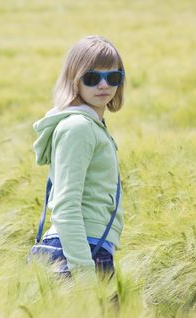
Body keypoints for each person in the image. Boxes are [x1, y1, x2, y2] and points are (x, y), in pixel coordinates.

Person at [31, 35, 125, 285]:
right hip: (79, 251)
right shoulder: (78, 128)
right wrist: (84, 273)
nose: (104, 85)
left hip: (87, 247)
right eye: (92, 78)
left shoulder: (93, 126)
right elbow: (65, 205)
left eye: (113, 77)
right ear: (75, 81)